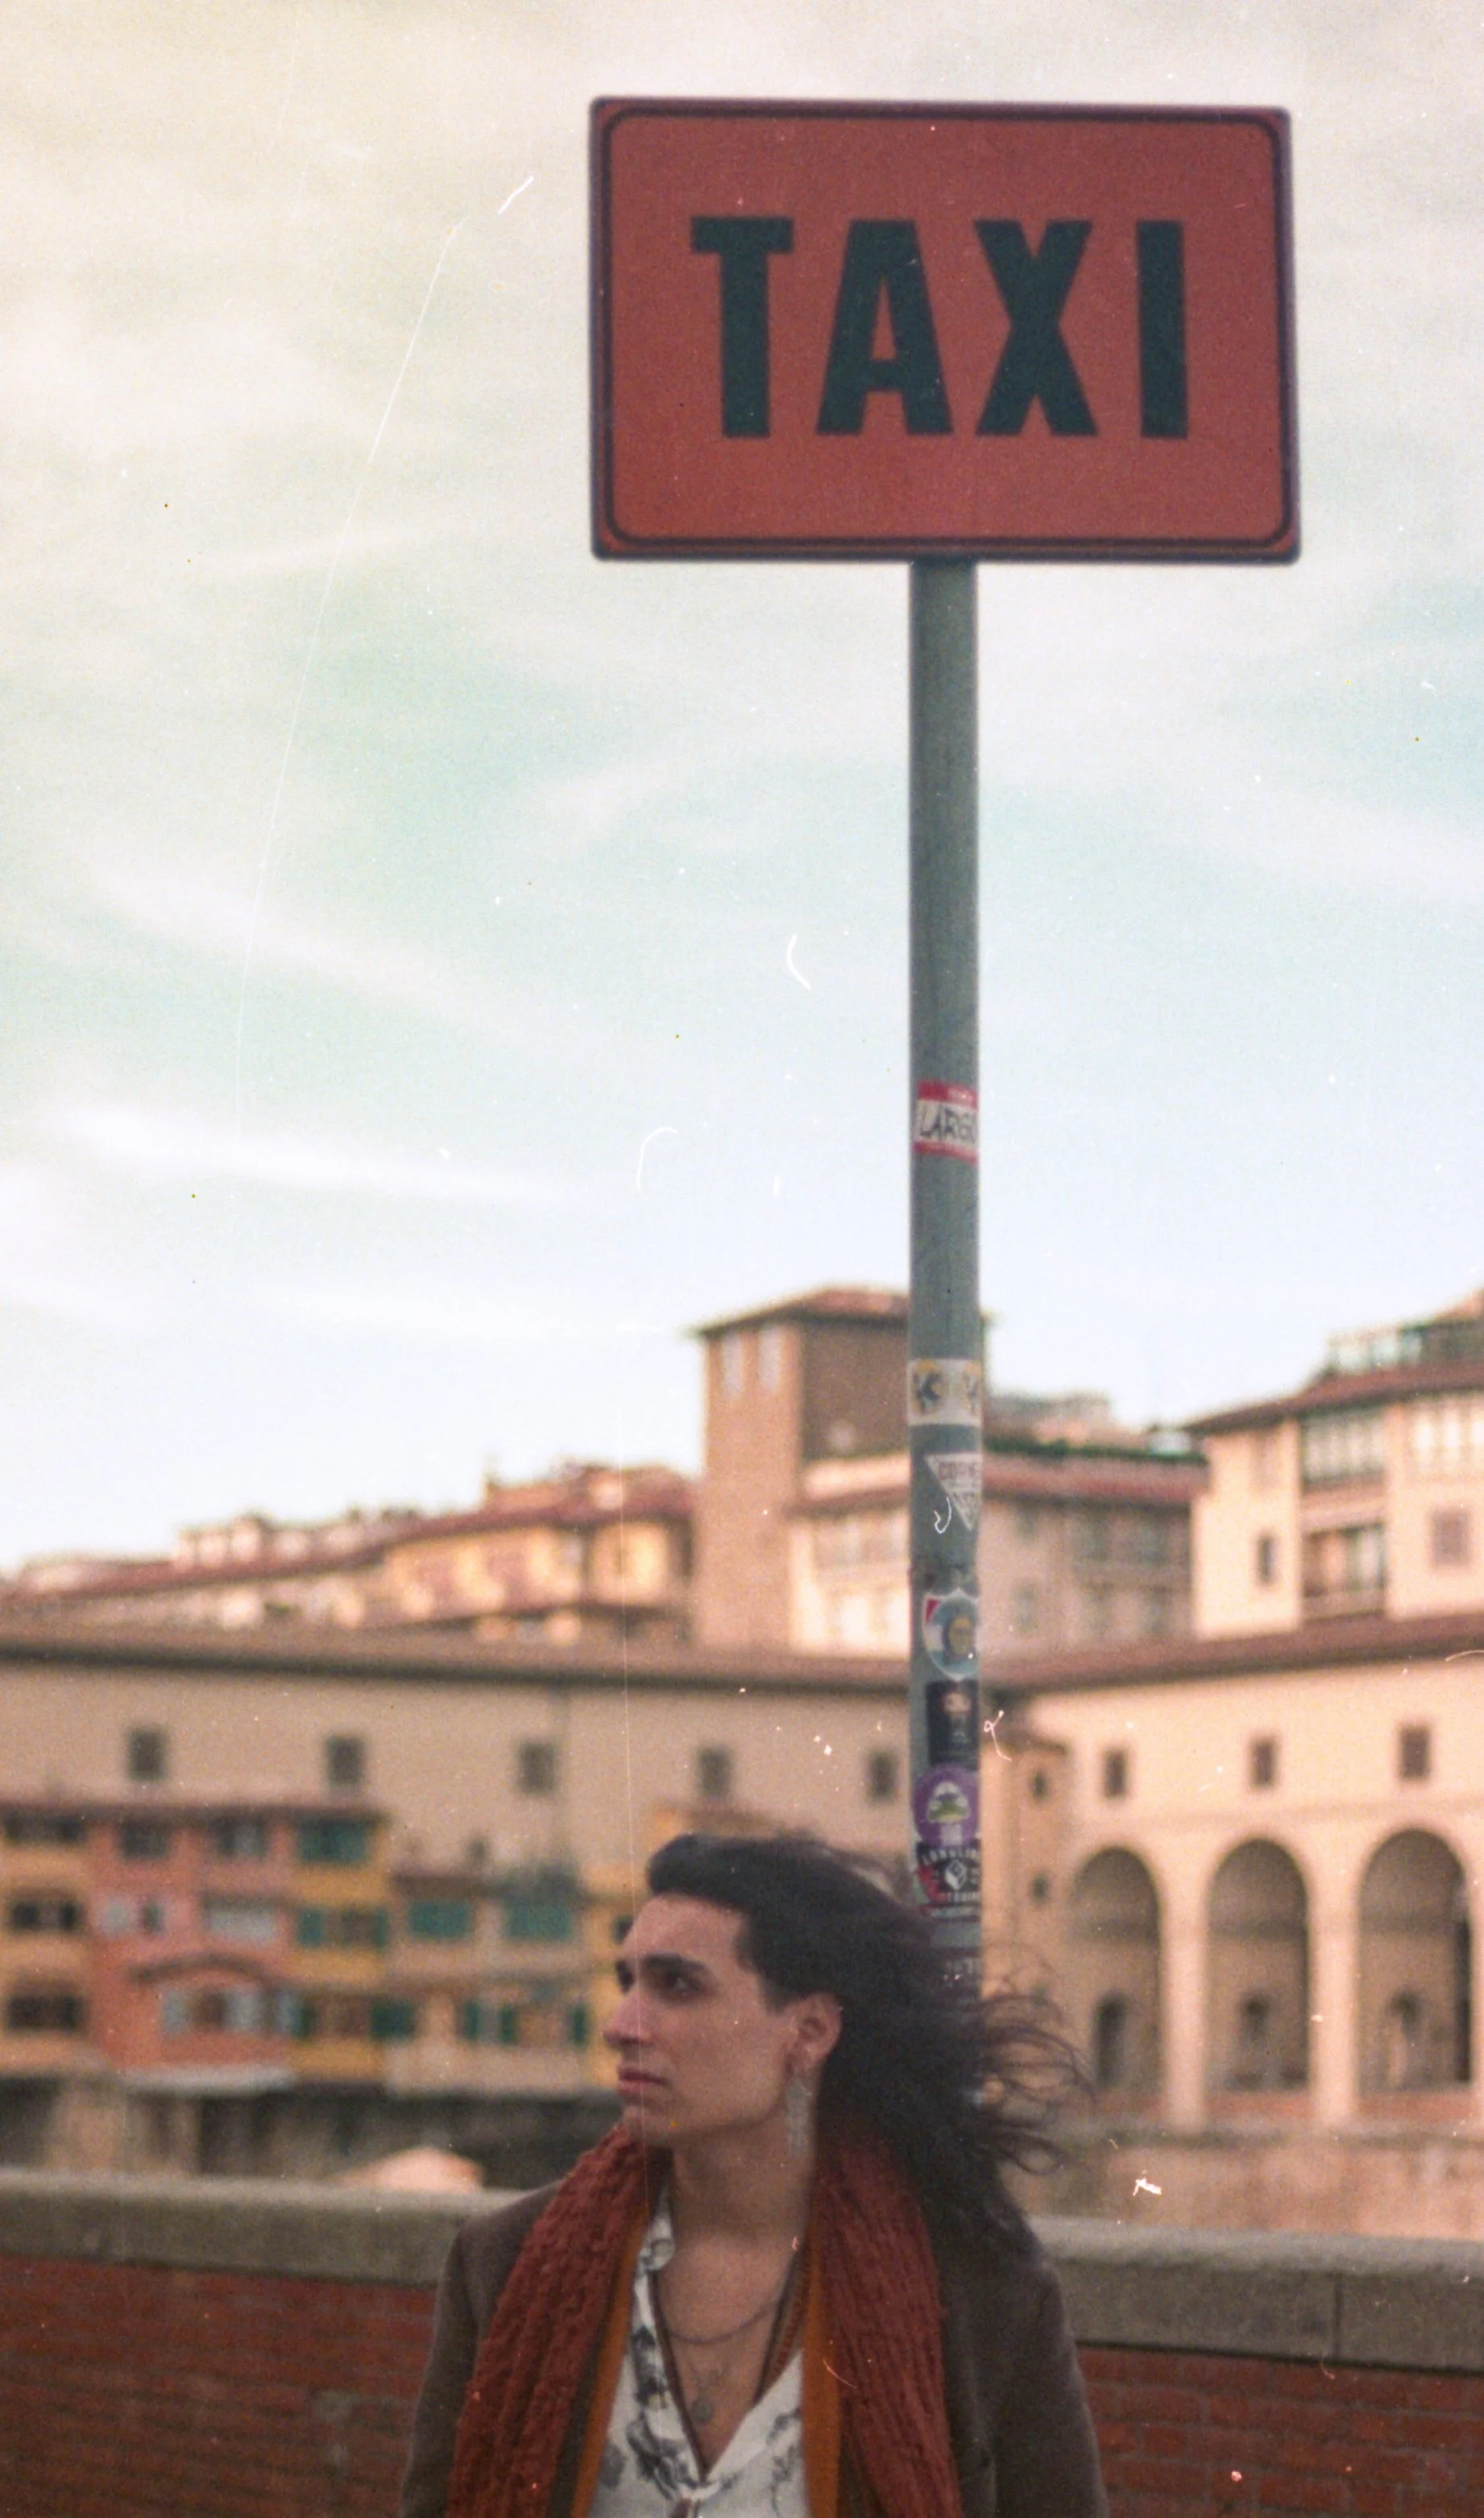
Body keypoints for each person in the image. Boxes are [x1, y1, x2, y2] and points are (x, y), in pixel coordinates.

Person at [400, 1831, 1108, 2518]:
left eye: (677, 1984)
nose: (622, 2023)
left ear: (809, 2032)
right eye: (628, 1981)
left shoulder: (982, 2294)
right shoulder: (504, 2263)